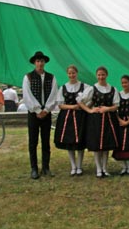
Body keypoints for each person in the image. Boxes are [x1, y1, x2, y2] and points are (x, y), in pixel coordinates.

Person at [78, 66, 120, 178]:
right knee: (97, 145)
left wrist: (107, 108)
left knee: (106, 145)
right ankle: (98, 168)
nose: (101, 77)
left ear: (106, 75)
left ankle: (105, 168)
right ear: (97, 76)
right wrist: (90, 110)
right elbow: (80, 101)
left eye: (103, 74)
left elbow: (116, 106)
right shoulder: (92, 89)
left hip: (108, 120)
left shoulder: (113, 89)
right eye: (99, 75)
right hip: (96, 120)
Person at [22, 51, 58, 180]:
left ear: (44, 62)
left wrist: (46, 109)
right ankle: (34, 168)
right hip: (33, 114)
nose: (40, 63)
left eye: (42, 61)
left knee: (46, 141)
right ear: (34, 63)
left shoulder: (51, 77)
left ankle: (46, 167)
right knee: (33, 142)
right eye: (38, 61)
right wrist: (37, 110)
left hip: (46, 114)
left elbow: (54, 94)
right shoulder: (28, 77)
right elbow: (27, 96)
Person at [54, 65, 89, 176]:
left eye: (73, 73)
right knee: (70, 142)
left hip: (81, 117)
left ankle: (79, 166)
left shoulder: (85, 87)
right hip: (67, 118)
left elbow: (91, 99)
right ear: (67, 74)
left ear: (77, 73)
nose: (72, 75)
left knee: (80, 141)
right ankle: (73, 166)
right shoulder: (63, 87)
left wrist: (84, 106)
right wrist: (73, 107)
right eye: (69, 73)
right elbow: (60, 105)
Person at [112, 75, 129, 175]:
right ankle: (124, 167)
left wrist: (128, 121)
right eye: (122, 83)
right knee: (121, 143)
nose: (124, 84)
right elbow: (115, 109)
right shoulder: (118, 94)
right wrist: (119, 120)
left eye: (126, 82)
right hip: (120, 122)